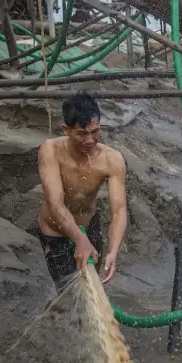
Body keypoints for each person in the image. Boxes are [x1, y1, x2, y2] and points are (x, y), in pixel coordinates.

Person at [37, 91, 128, 287]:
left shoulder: (112, 159)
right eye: (82, 133)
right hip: (56, 230)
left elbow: (119, 210)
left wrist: (113, 251)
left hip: (89, 226)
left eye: (95, 132)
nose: (90, 140)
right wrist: (80, 240)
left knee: (92, 286)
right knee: (69, 291)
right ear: (66, 130)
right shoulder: (50, 150)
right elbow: (54, 202)